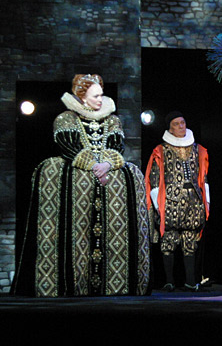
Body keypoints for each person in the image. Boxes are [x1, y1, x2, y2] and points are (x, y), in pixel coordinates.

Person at [11, 74, 151, 297]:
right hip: (78, 165)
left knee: (132, 173)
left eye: (101, 95)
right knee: (52, 170)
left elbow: (117, 145)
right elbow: (68, 146)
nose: (100, 99)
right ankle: (68, 280)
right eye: (95, 96)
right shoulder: (66, 118)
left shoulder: (112, 120)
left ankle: (119, 281)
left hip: (106, 165)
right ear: (82, 97)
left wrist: (106, 165)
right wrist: (93, 166)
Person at [145, 111, 210, 292]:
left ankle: (190, 281)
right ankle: (169, 281)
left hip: (193, 200)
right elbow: (155, 177)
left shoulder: (197, 149)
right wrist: (157, 204)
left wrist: (207, 201)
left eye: (183, 122)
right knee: (169, 239)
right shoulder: (161, 150)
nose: (181, 126)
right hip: (171, 200)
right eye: (176, 124)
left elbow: (203, 176)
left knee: (190, 240)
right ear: (170, 128)